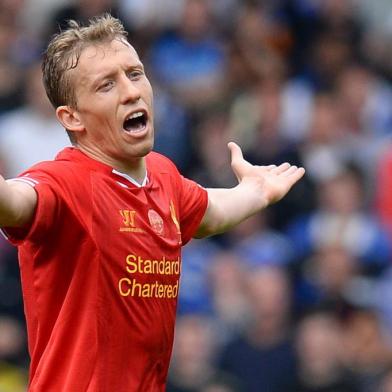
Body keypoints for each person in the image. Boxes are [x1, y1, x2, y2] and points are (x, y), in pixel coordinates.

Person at [0, 14, 305, 391]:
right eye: (106, 85)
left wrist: (255, 192)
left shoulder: (162, 175)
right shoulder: (66, 183)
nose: (130, 91)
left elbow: (208, 213)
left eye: (134, 73)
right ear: (72, 117)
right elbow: (14, 200)